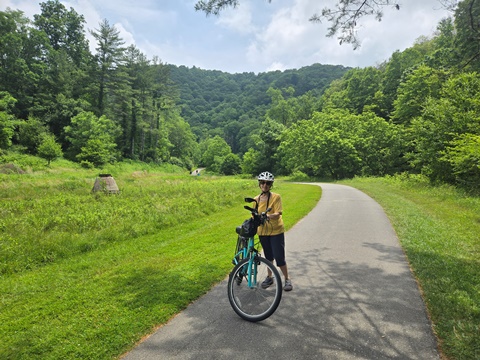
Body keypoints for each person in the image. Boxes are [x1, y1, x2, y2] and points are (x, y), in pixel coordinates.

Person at [255, 171, 293, 292]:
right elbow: (254, 216)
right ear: (259, 184)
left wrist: (267, 216)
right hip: (263, 232)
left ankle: (287, 279)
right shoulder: (256, 199)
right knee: (268, 256)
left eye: (267, 183)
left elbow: (278, 213)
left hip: (276, 231)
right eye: (262, 182)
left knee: (279, 256)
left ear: (271, 185)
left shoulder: (276, 197)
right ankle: (269, 277)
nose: (265, 185)